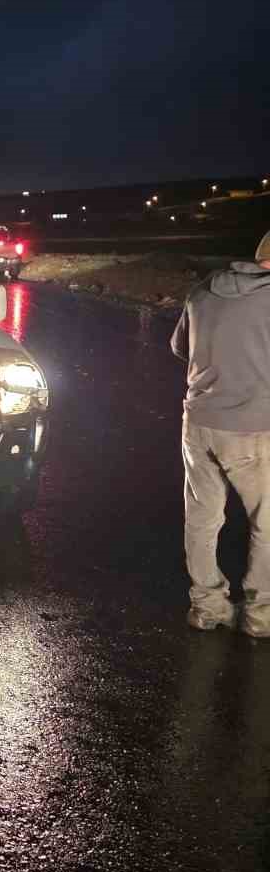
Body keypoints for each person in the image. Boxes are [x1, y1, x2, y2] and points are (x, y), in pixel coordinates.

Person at [171, 230, 270, 636]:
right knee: (268, 523)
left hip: (199, 425)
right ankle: (261, 614)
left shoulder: (201, 292)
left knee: (202, 517)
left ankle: (207, 607)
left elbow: (180, 347)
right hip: (254, 429)